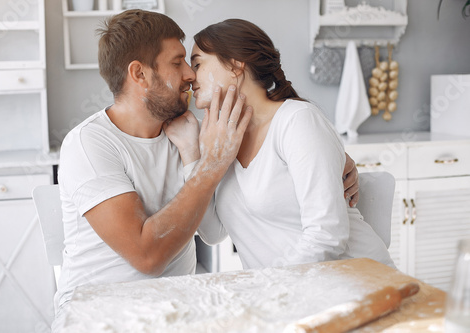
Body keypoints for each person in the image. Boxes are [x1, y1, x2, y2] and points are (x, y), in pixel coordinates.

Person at [52, 10, 251, 331]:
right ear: (139, 73)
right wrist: (210, 165)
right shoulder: (89, 144)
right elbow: (148, 257)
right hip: (101, 313)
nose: (191, 74)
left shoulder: (188, 132)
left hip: (174, 308)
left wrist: (192, 154)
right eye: (177, 63)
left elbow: (214, 235)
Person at [168, 18, 395, 269]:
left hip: (359, 284)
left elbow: (327, 235)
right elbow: (212, 233)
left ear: (235, 65)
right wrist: (192, 155)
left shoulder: (297, 121)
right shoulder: (221, 140)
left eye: (197, 63)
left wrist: (271, 288)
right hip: (288, 293)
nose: (190, 76)